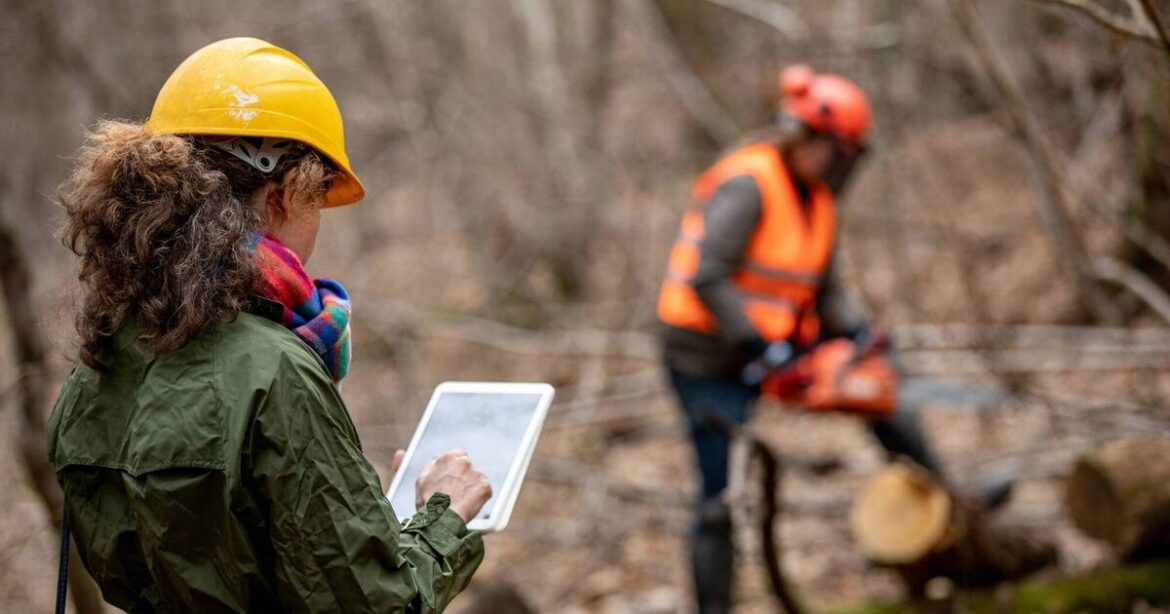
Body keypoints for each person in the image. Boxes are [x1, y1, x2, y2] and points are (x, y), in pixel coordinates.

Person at [46, 38, 491, 613]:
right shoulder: (273, 371)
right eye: (319, 200)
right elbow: (379, 606)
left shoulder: (99, 363)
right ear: (284, 195)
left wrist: (364, 522)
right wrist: (443, 517)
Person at [657, 65, 944, 613]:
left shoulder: (818, 202)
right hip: (706, 356)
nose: (844, 167)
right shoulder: (749, 184)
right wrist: (762, 350)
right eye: (842, 154)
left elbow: (824, 290)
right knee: (722, 493)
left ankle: (946, 500)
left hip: (776, 346)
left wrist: (858, 336)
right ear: (812, 142)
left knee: (881, 393)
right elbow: (709, 275)